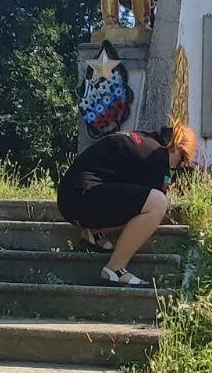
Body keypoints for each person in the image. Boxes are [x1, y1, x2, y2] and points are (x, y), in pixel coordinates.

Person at [57, 122, 197, 286]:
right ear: (179, 148)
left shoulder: (143, 141)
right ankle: (115, 269)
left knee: (146, 203)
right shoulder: (158, 156)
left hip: (71, 199)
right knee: (158, 203)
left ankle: (95, 233)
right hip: (85, 198)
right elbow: (153, 206)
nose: (176, 167)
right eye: (182, 161)